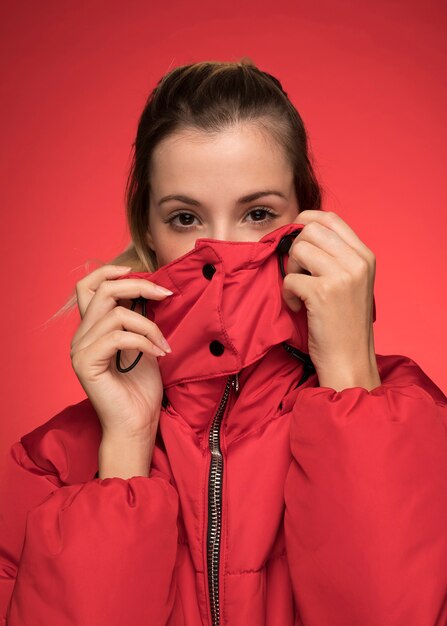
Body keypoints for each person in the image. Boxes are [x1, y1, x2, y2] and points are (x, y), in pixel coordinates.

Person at [1, 58, 446, 626]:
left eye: (258, 214)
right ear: (148, 231)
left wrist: (352, 385)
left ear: (308, 219)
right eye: (185, 218)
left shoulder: (417, 421)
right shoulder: (49, 468)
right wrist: (124, 455)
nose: (222, 251)